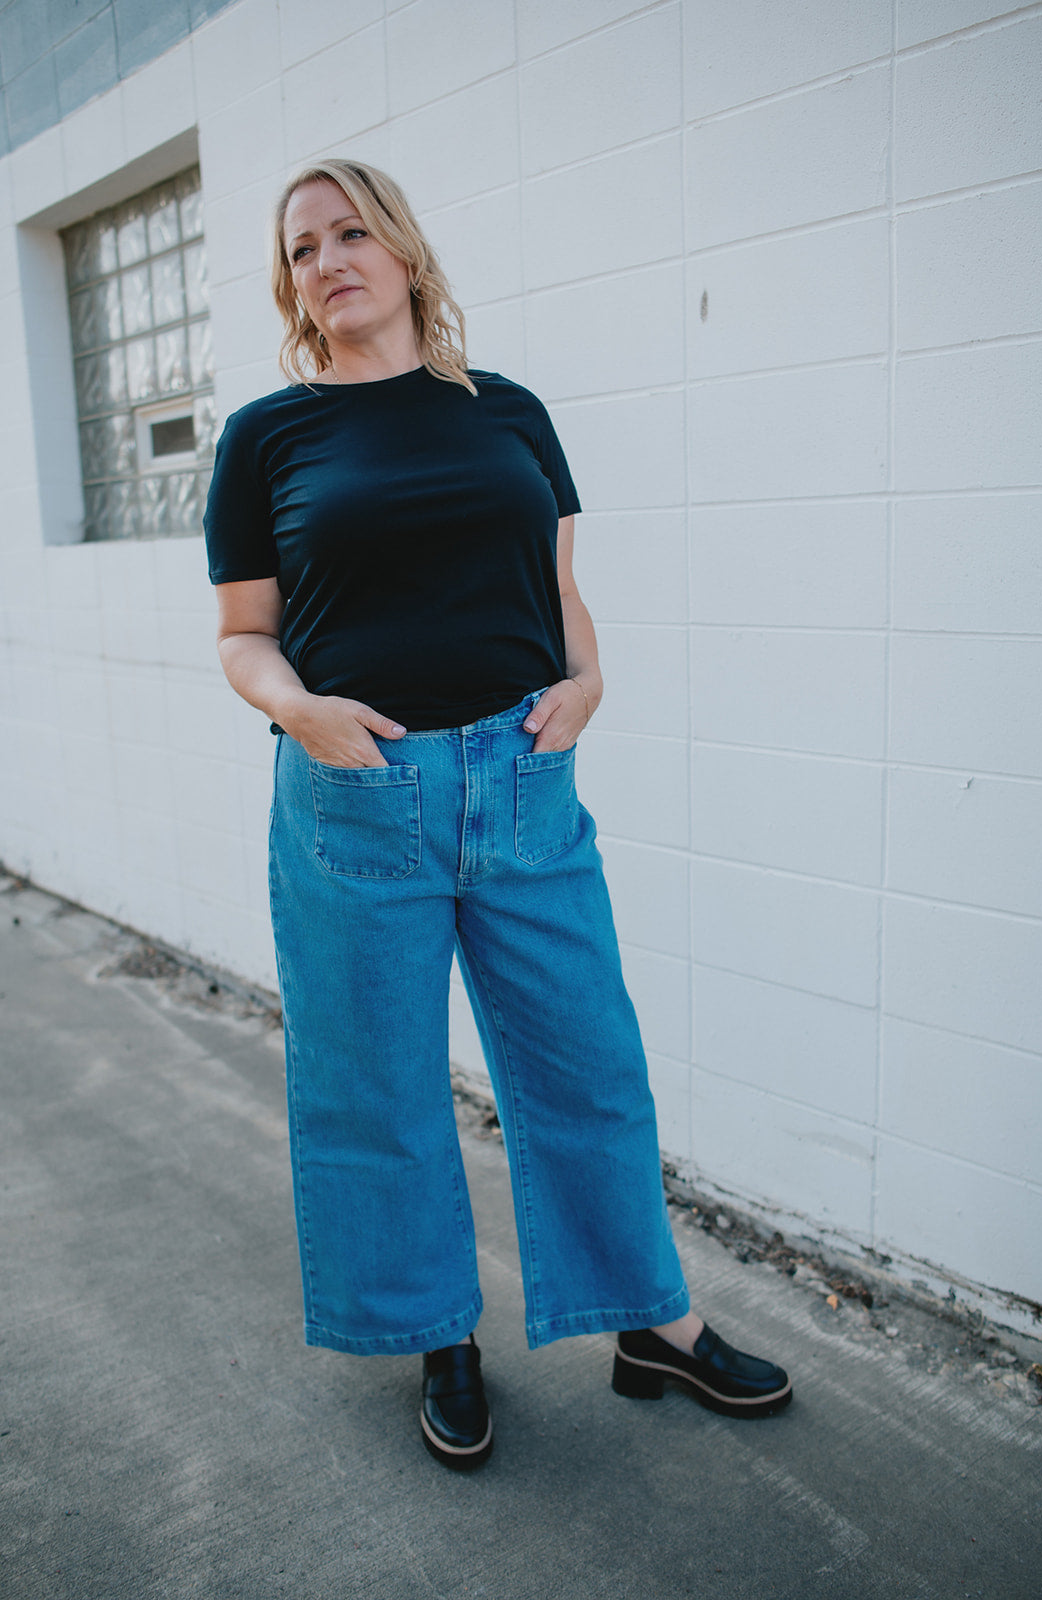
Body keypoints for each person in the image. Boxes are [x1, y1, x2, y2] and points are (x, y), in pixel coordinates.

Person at [204, 159, 791, 1469]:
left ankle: (654, 1321)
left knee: (590, 1062)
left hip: (523, 780)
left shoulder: (510, 412)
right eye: (301, 248)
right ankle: (440, 1336)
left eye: (351, 232)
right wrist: (303, 713)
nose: (328, 260)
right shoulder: (268, 436)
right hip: (360, 796)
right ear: (290, 284)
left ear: (403, 249)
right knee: (379, 1086)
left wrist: (591, 680)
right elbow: (244, 637)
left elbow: (561, 591)